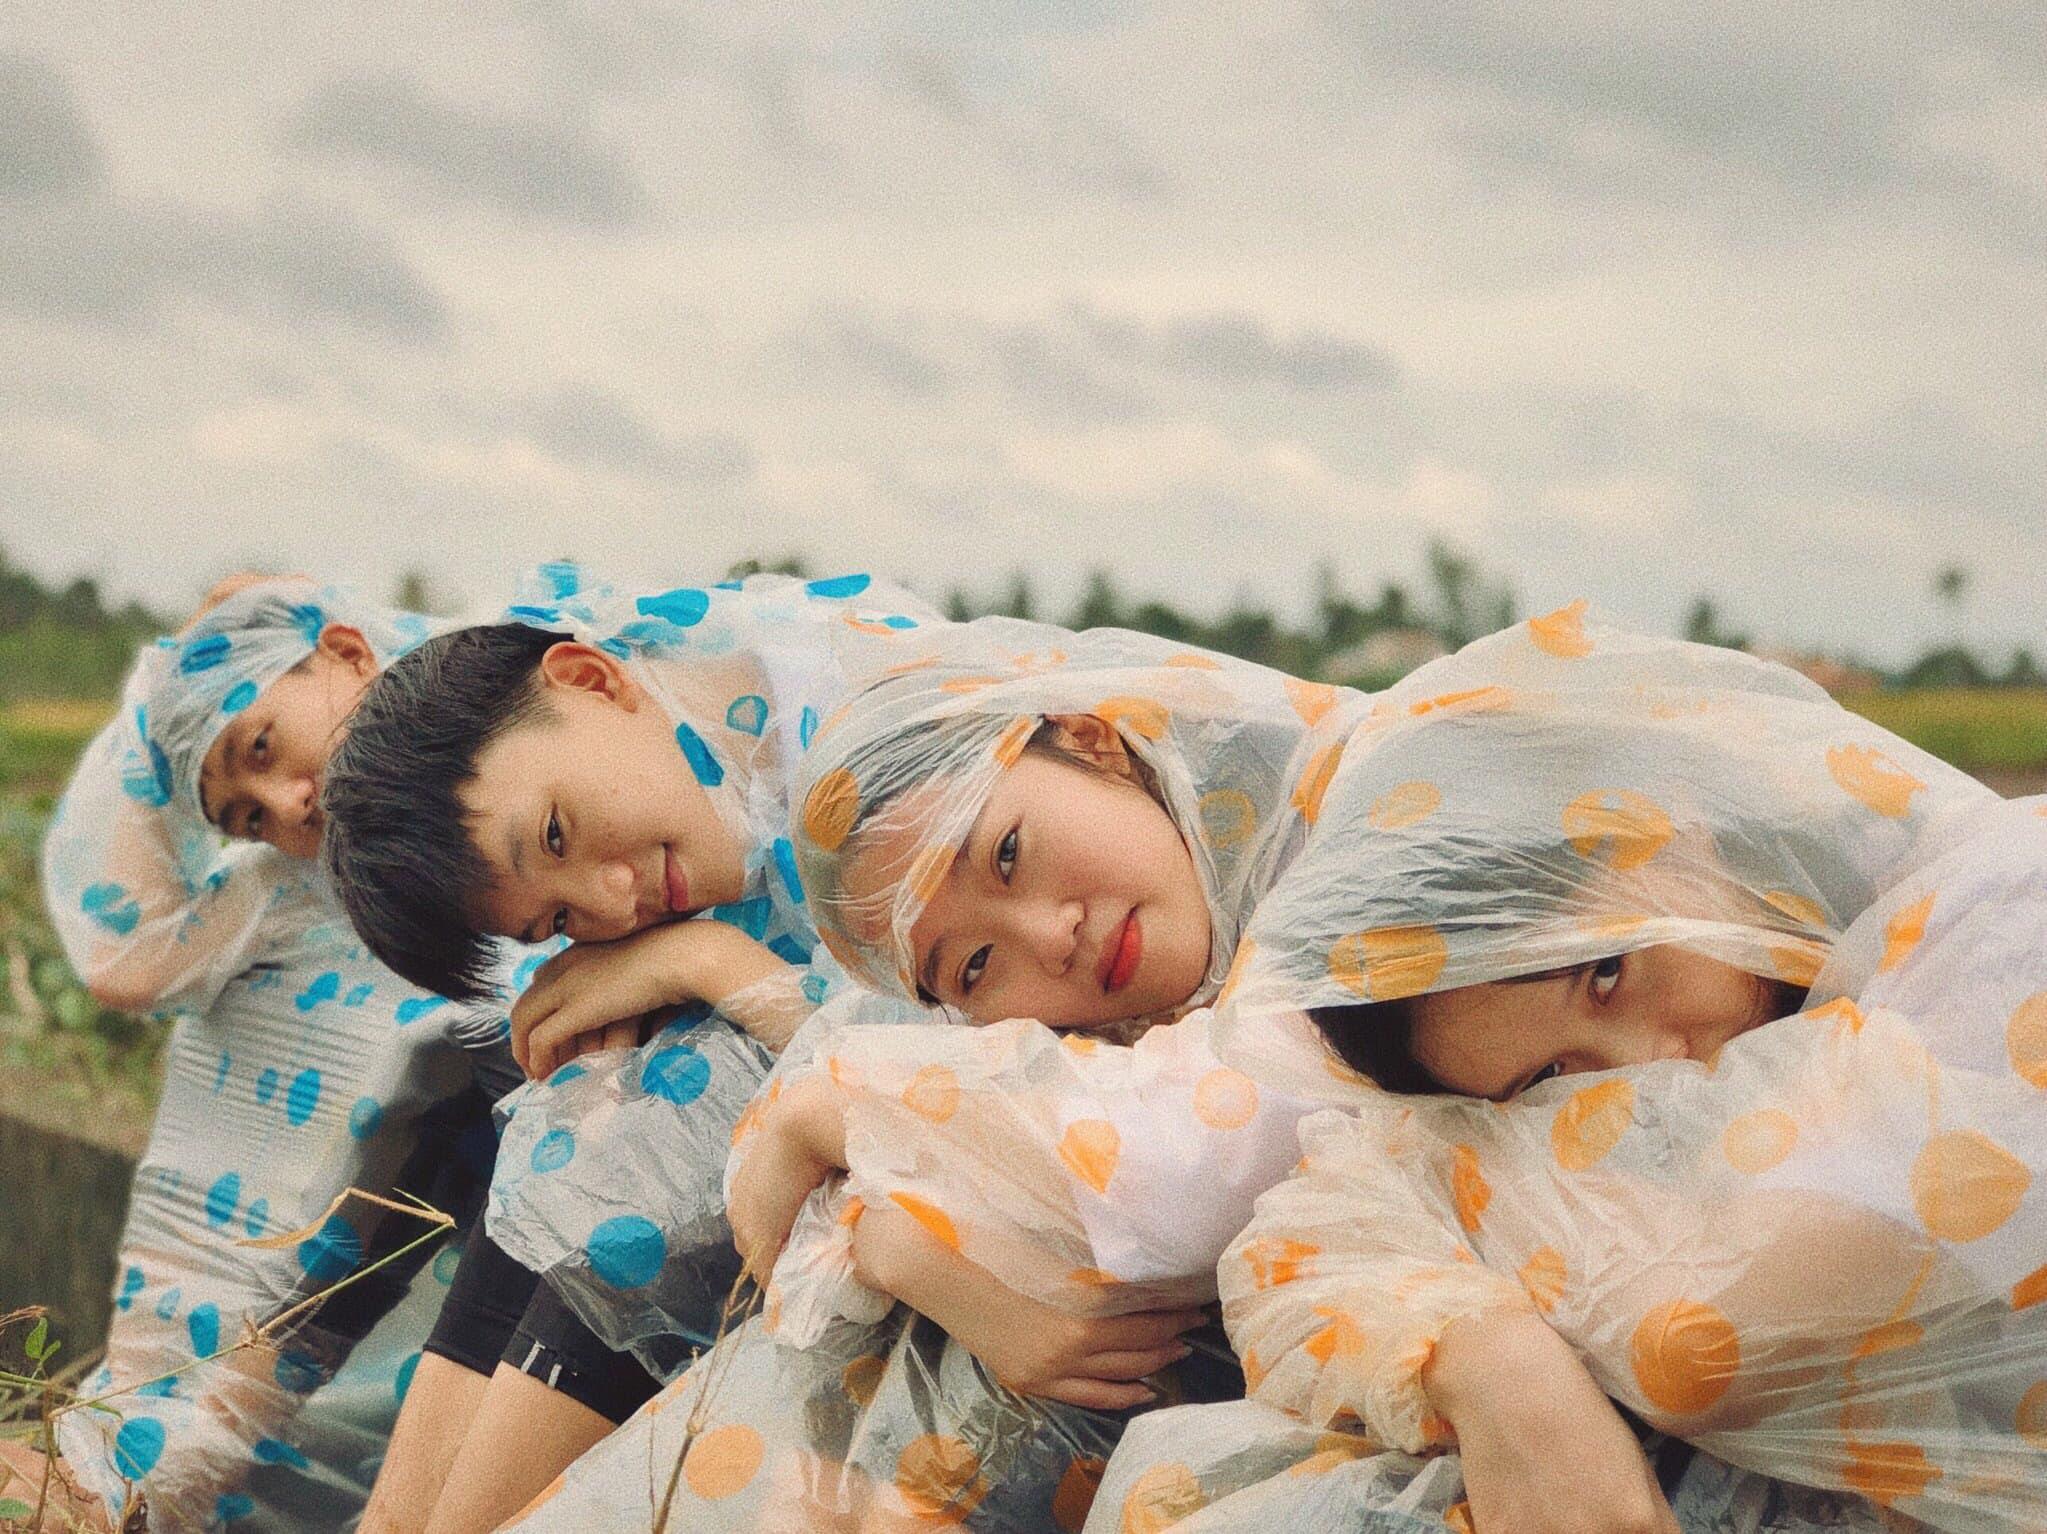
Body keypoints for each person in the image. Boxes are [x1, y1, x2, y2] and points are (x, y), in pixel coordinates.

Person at [495, 618, 1373, 1531]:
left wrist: (835, 1116)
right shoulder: (1145, 984)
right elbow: (804, 1195)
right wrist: (903, 1252)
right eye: (976, 966)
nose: (1049, 935)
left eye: (1006, 854)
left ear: (1091, 740)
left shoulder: (1362, 843)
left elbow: (1182, 1163)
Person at [1205, 603, 2036, 1534]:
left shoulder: (2001, 919)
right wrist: (1485, 1357)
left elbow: (1703, 1339)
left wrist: (1515, 1369)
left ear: (1672, 825)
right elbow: (1311, 1230)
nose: (1644, 1069)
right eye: (1547, 1079)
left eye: (1605, 973)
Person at [319, 564, 946, 1533]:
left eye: (555, 834)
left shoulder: (883, 736)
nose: (612, 905)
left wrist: (701, 961)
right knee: (599, 1112)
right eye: (556, 919)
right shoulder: (705, 790)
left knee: (668, 1122)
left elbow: (949, 1086)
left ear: (589, 678)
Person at [31, 576, 512, 1533]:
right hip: (422, 1263)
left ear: (349, 652)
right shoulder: (303, 891)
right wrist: (158, 691)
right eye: (246, 817)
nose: (288, 805)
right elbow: (124, 957)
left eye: (260, 746)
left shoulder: (527, 741)